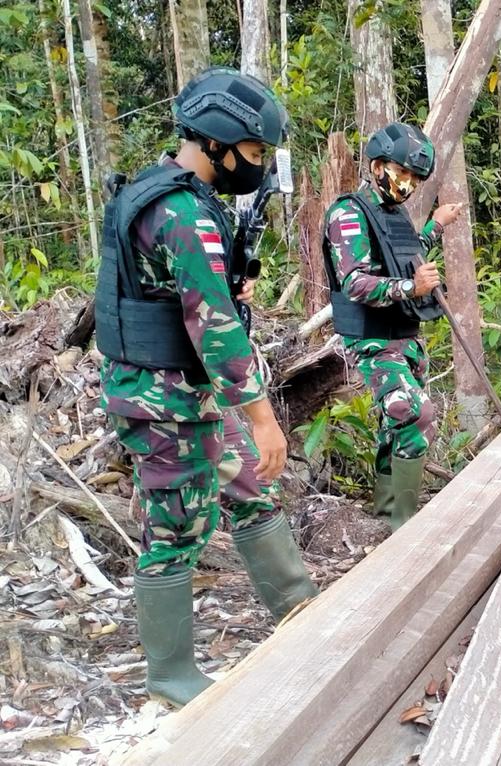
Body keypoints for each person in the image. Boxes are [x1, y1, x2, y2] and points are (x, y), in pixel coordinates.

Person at [96, 67, 317, 707]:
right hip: (162, 397)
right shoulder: (181, 211)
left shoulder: (160, 193)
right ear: (216, 141)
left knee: (249, 483)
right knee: (177, 527)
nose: (256, 167)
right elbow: (212, 327)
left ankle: (296, 606)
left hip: (182, 387)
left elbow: (175, 292)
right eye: (252, 153)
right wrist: (262, 418)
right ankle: (170, 675)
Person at [322, 121, 463, 530]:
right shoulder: (348, 212)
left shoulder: (393, 214)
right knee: (415, 414)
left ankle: (385, 510)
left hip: (404, 339)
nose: (407, 184)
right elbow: (354, 282)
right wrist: (410, 286)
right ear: (378, 164)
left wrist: (436, 223)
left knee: (395, 423)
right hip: (371, 340)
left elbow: (408, 253)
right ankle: (404, 522)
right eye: (402, 173)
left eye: (415, 178)